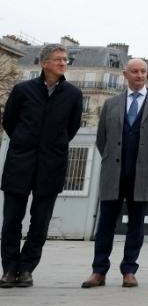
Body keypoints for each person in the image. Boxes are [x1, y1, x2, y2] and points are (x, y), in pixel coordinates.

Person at [82, 59, 148, 289]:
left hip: (142, 173)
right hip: (114, 171)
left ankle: (129, 270)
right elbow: (102, 139)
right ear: (125, 74)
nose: (140, 75)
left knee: (136, 224)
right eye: (135, 71)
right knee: (105, 224)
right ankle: (98, 271)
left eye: (143, 71)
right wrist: (113, 158)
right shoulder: (111, 104)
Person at [1, 43, 83, 288]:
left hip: (52, 164)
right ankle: (9, 269)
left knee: (40, 222)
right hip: (20, 162)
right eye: (58, 59)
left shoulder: (73, 94)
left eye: (65, 59)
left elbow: (72, 127)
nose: (62, 63)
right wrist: (24, 141)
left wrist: (53, 144)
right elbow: (10, 122)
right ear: (44, 63)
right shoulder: (23, 90)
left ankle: (26, 268)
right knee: (11, 220)